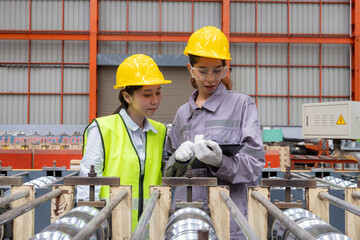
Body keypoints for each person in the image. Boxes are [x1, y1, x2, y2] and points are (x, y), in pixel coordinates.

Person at [164, 26, 265, 239]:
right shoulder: (183, 114)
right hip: (188, 218)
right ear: (190, 69)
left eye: (217, 70)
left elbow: (254, 164)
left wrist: (220, 163)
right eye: (203, 71)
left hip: (228, 220)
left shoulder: (242, 105)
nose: (210, 78)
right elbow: (167, 173)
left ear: (225, 68)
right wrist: (178, 161)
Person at [77, 54, 171, 230]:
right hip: (112, 226)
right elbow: (87, 184)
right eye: (147, 94)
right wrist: (89, 225)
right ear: (127, 96)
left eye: (158, 92)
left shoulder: (161, 132)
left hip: (151, 228)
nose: (155, 100)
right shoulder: (103, 129)